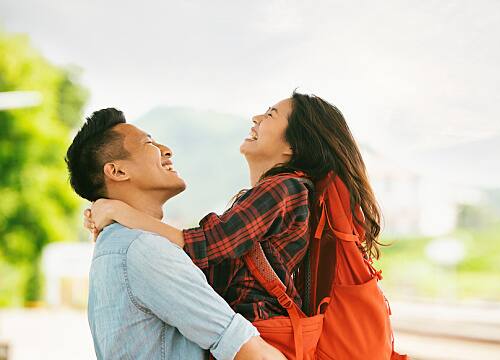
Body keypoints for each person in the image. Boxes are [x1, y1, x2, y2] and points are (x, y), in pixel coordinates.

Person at [87, 92, 385, 326]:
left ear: (293, 147)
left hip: (259, 332)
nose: (256, 117)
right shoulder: (275, 193)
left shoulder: (284, 190)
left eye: (270, 114)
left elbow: (205, 244)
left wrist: (121, 212)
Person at [66, 108, 285, 360]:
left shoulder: (116, 243)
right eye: (149, 143)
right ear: (117, 172)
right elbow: (243, 348)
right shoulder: (143, 248)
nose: (166, 149)